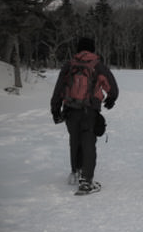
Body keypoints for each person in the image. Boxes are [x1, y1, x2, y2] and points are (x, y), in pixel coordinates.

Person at [50, 37, 118, 195]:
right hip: (89, 111)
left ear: (78, 49)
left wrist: (55, 109)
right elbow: (112, 87)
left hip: (70, 109)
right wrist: (111, 99)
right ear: (92, 49)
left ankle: (75, 172)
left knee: (75, 140)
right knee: (88, 142)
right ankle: (86, 181)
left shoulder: (69, 65)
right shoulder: (98, 66)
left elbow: (59, 88)